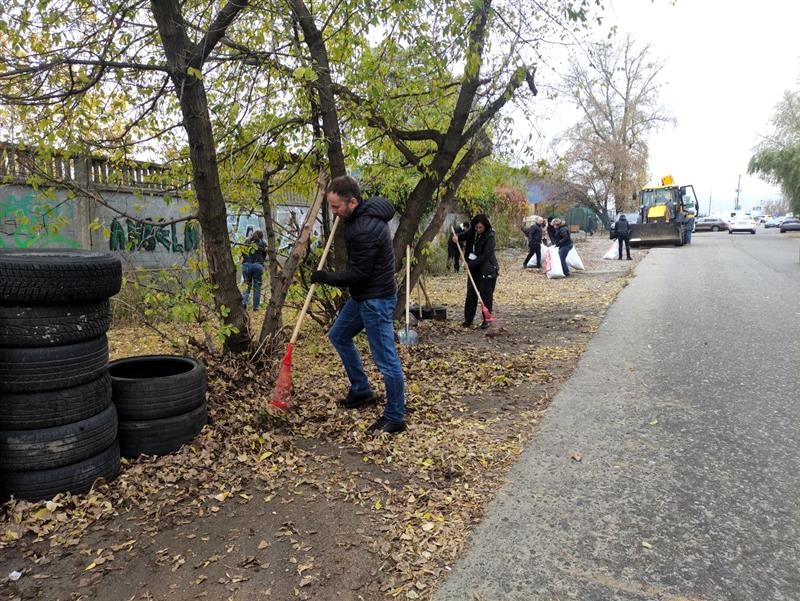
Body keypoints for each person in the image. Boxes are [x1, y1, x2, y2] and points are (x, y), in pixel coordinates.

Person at [310, 175, 406, 435]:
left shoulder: (364, 229)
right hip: (364, 295)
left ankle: (395, 417)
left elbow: (358, 274)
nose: (334, 212)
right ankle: (361, 390)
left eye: (336, 207)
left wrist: (326, 278)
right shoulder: (360, 214)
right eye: (331, 206)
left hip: (375, 300)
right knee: (339, 335)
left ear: (352, 201)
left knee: (386, 359)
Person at [454, 214, 499, 329]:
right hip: (473, 270)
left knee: (485, 295)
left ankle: (486, 319)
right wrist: (457, 237)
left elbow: (485, 255)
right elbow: (462, 236)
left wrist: (470, 264)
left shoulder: (490, 236)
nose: (478, 230)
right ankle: (468, 319)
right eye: (477, 227)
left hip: (487, 269)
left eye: (481, 228)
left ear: (485, 226)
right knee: (471, 295)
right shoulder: (472, 232)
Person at [241, 229, 266, 310]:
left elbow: (243, 253)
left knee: (247, 285)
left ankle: (243, 302)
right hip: (258, 266)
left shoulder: (246, 241)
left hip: (247, 265)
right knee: (257, 287)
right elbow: (264, 255)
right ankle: (255, 308)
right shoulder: (263, 243)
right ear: (261, 236)